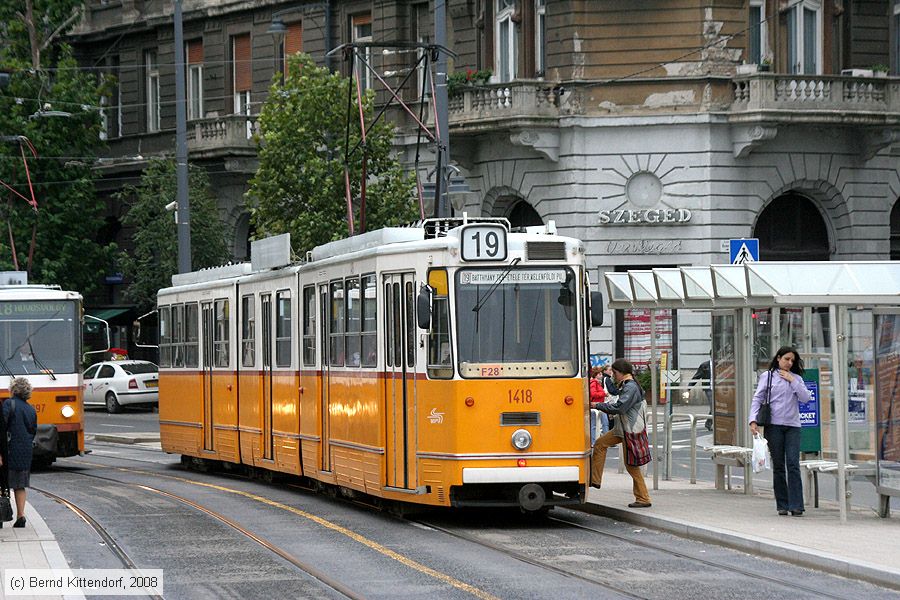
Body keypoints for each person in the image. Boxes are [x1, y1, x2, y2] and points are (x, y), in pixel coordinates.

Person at [749, 346, 807, 517]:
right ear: (778, 358)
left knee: (793, 464)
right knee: (779, 466)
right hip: (773, 426)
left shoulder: (796, 378)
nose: (789, 363)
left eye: (792, 361)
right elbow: (758, 398)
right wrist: (753, 420)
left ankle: (797, 505)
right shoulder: (767, 377)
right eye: (786, 359)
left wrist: (792, 380)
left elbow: (805, 398)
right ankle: (782, 504)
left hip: (793, 426)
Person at [590, 358, 652, 508]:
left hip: (628, 430)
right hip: (622, 428)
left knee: (631, 465)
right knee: (600, 444)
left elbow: (620, 407)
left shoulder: (630, 387)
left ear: (621, 372)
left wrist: (597, 405)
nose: (613, 376)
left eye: (614, 373)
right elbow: (617, 397)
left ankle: (643, 498)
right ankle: (594, 480)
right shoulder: (627, 384)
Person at [1, 377, 38, 528]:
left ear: (13, 390)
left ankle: (3, 514)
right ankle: (21, 515)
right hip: (25, 450)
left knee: (3, 484)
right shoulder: (31, 409)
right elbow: (33, 430)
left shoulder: (9, 403)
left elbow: (2, 425)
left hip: (10, 450)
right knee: (20, 485)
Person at [690, 359, 713, 430]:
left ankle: (708, 423)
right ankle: (709, 423)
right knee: (713, 406)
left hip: (719, 388)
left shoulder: (720, 363)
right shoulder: (705, 365)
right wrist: (689, 387)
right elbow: (697, 376)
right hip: (709, 389)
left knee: (715, 407)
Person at [589, 366, 609, 440]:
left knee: (600, 423)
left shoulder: (596, 383)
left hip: (598, 405)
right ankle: (604, 440)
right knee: (604, 423)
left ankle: (595, 441)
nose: (601, 375)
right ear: (595, 375)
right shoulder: (594, 383)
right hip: (596, 405)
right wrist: (603, 394)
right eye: (599, 374)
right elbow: (593, 393)